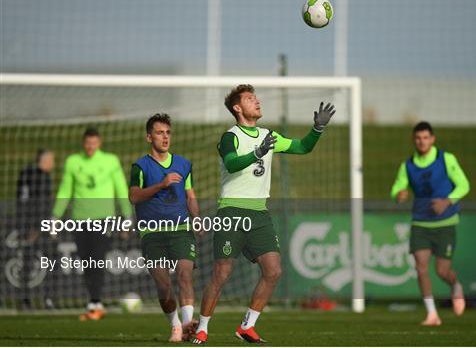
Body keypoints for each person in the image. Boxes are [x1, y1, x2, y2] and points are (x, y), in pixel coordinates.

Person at [192, 84, 335, 344]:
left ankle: (247, 326)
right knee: (222, 274)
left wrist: (317, 129)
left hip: (259, 213)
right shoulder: (230, 136)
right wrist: (257, 152)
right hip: (232, 211)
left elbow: (303, 147)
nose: (256, 101)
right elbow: (233, 163)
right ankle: (202, 327)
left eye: (255, 97)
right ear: (237, 108)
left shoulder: (268, 135)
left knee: (273, 270)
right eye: (249, 98)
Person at [128, 113, 200, 343]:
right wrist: (162, 184)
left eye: (168, 132)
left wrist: (196, 218)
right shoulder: (140, 166)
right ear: (149, 137)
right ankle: (176, 325)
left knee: (185, 275)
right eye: (160, 133)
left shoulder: (184, 164)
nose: (165, 137)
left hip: (180, 228)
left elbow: (190, 195)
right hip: (152, 233)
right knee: (164, 285)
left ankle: (188, 324)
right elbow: (134, 197)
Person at [390, 121, 470, 326]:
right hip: (420, 224)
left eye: (426, 137)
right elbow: (397, 190)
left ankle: (456, 285)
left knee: (442, 271)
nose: (422, 141)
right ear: (413, 140)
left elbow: (464, 185)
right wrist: (399, 195)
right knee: (421, 267)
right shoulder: (407, 165)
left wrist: (447, 201)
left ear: (432, 139)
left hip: (445, 223)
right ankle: (432, 314)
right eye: (418, 138)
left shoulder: (446, 159)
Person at [53, 127, 132, 321]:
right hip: (79, 220)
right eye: (88, 143)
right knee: (86, 262)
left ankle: (95, 302)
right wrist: (55, 218)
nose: (90, 147)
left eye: (94, 143)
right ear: (83, 143)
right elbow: (65, 191)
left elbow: (121, 188)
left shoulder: (110, 161)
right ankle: (93, 300)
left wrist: (128, 217)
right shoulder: (73, 161)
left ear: (99, 143)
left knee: (97, 259)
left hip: (104, 219)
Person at [16, 149, 55, 309]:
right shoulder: (36, 176)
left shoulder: (32, 174)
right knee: (34, 263)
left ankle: (42, 299)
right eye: (51, 160)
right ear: (44, 160)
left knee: (43, 261)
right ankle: (36, 299)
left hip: (36, 225)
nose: (53, 163)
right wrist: (34, 227)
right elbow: (31, 203)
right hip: (34, 227)